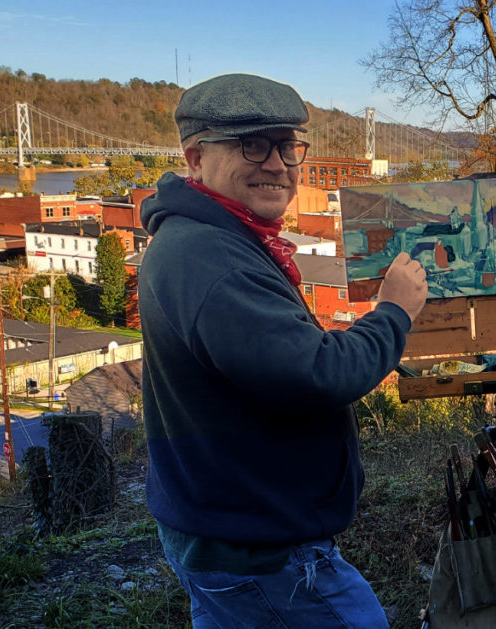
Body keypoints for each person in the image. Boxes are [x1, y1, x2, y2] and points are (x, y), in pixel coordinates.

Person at [138, 73, 427, 628]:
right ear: (195, 157)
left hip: (226, 521)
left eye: (288, 145)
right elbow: (315, 374)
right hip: (259, 545)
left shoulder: (212, 237)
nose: (277, 164)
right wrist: (393, 313)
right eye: (252, 144)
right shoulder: (209, 258)